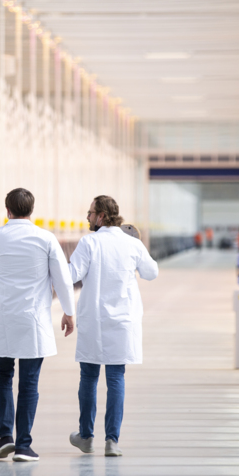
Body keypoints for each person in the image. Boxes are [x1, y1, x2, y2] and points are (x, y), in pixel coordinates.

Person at [0, 188, 76, 462]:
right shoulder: (45, 238)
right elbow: (62, 278)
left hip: (3, 319)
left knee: (2, 377)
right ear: (32, 210)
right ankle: (23, 445)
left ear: (7, 210)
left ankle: (4, 437)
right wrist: (69, 312)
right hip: (33, 320)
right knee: (29, 383)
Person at [67, 195, 158, 457]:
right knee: (116, 377)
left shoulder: (90, 242)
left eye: (90, 213)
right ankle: (112, 441)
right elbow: (151, 272)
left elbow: (72, 275)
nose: (87, 217)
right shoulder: (132, 244)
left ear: (102, 216)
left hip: (94, 321)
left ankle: (86, 437)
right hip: (122, 322)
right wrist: (137, 249)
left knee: (89, 377)